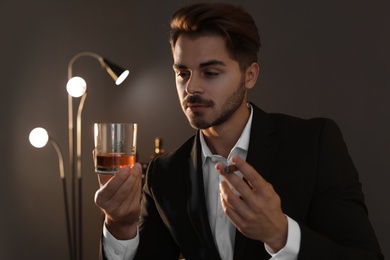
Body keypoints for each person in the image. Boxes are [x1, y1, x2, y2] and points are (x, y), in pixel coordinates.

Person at [95, 2, 383, 259]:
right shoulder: (164, 175)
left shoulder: (313, 144)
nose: (191, 87)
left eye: (210, 72)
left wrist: (281, 235)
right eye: (182, 73)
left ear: (250, 75)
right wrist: (120, 227)